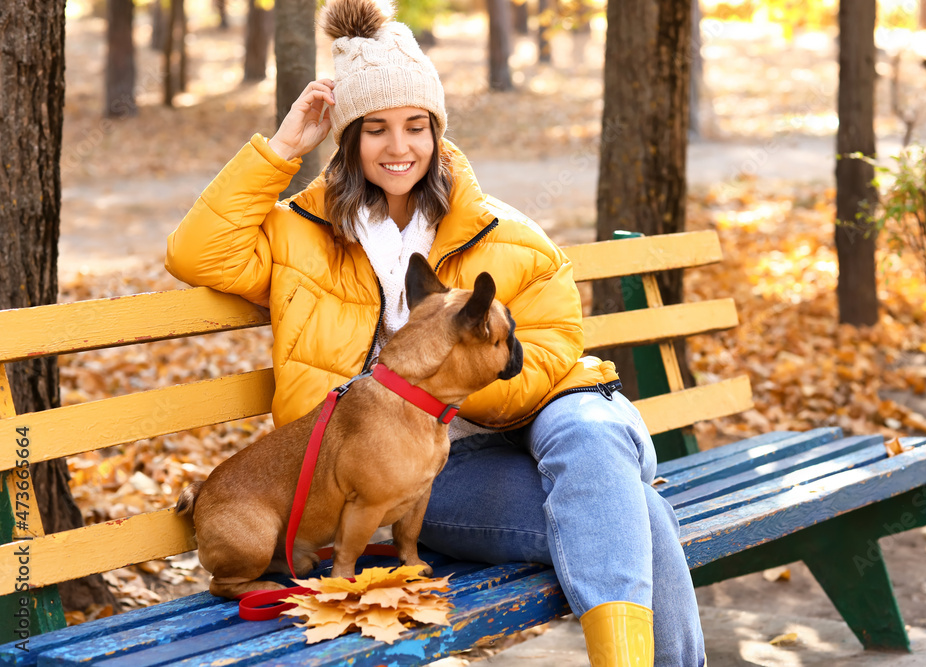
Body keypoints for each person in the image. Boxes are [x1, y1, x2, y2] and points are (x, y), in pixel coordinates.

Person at [165, 0, 705, 664]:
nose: (399, 148)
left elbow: (550, 353)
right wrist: (281, 149)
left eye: (417, 126)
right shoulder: (298, 236)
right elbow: (196, 254)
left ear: (439, 133)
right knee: (636, 519)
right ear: (348, 137)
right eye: (376, 129)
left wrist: (442, 386)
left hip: (549, 420)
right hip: (421, 468)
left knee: (593, 436)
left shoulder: (507, 235)